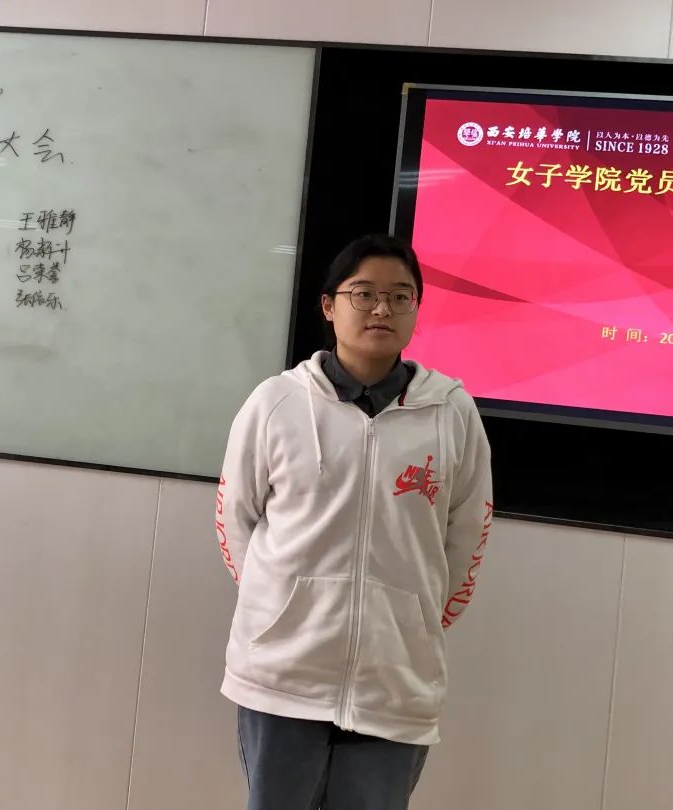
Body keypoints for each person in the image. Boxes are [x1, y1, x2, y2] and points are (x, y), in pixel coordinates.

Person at [214, 233, 493, 810]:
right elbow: (235, 516)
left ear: (416, 307)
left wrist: (412, 619)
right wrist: (280, 604)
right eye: (363, 293)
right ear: (329, 305)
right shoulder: (276, 403)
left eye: (400, 296)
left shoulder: (452, 412)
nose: (381, 309)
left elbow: (467, 535)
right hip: (284, 677)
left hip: (394, 683)